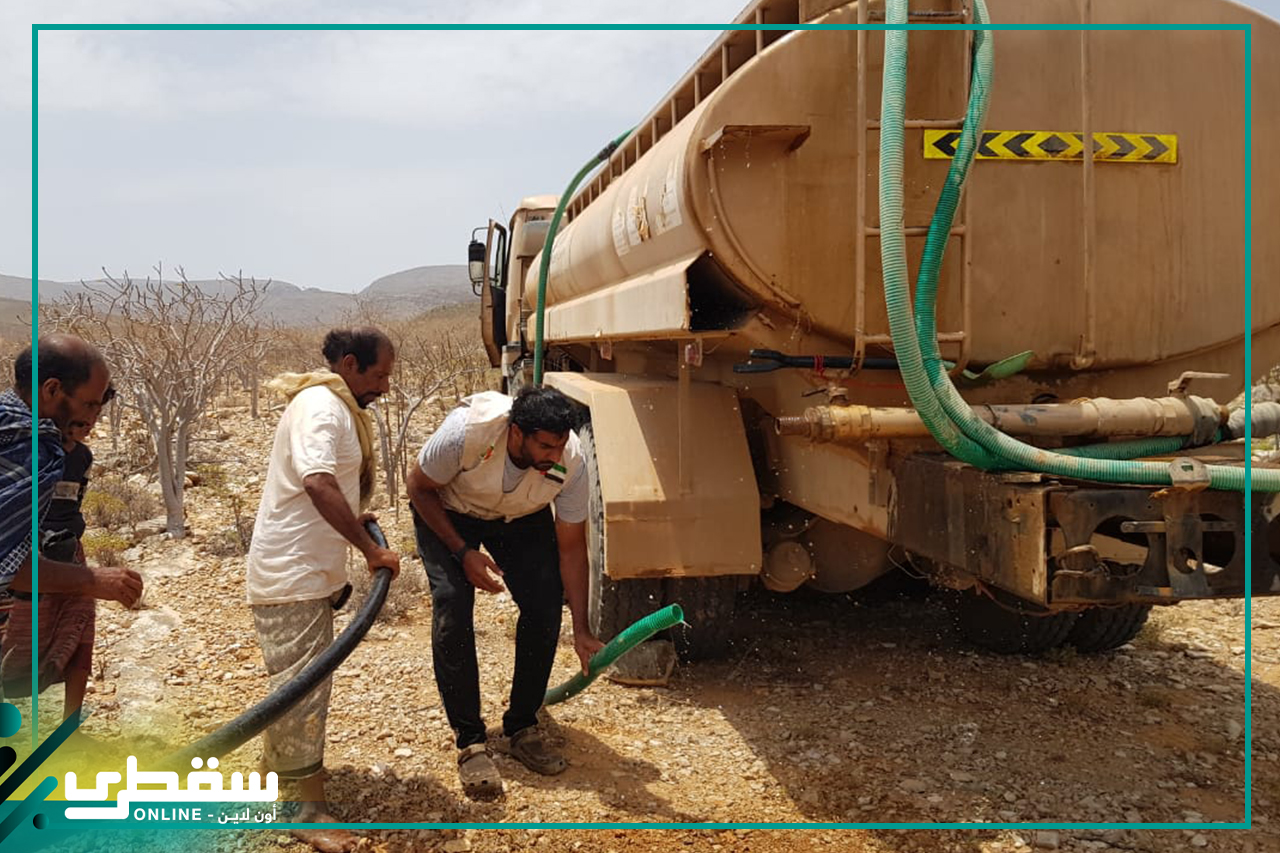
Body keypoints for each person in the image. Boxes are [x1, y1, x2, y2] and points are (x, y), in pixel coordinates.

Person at [407, 385, 603, 799]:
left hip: (520, 518)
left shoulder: (571, 462)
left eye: (560, 445)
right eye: (545, 446)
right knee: (453, 606)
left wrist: (582, 629)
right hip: (449, 511)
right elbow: (418, 486)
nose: (555, 455)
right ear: (516, 433)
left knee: (544, 606)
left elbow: (571, 548)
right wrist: (462, 552)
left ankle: (522, 726)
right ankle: (471, 743)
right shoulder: (466, 432)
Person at [246, 327, 400, 853]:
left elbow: (329, 481)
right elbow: (317, 481)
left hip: (303, 573)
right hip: (292, 576)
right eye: (379, 374)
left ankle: (275, 771)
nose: (385, 386)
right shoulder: (322, 407)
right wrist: (369, 549)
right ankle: (305, 809)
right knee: (304, 694)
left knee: (297, 686)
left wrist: (356, 516)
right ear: (350, 364)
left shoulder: (334, 405)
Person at [0, 337, 143, 654]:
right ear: (51, 390)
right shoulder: (30, 447)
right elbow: (6, 562)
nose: (92, 416)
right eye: (89, 404)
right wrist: (92, 580)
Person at [0, 408, 107, 724]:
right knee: (13, 636)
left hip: (69, 551)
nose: (89, 424)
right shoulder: (33, 451)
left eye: (95, 416)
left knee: (81, 631)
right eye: (83, 416)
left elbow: (73, 502)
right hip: (28, 556)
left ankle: (70, 726)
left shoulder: (83, 457)